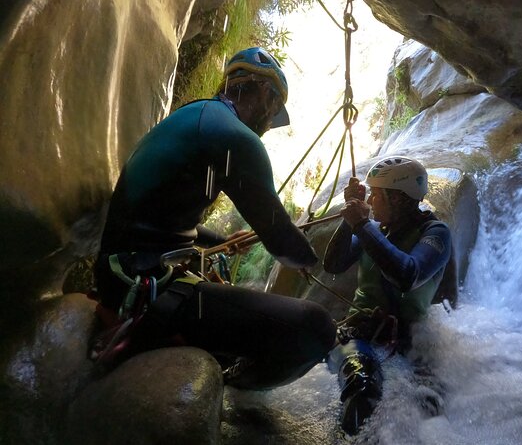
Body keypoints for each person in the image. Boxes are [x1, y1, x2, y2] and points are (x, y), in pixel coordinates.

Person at [93, 47, 336, 389]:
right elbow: (283, 242)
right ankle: (235, 388)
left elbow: (163, 220)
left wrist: (221, 243)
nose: (268, 125)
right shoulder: (237, 138)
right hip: (144, 288)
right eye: (274, 112)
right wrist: (310, 259)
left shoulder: (195, 117)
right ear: (268, 97)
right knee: (317, 327)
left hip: (121, 273)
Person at [323, 156, 452, 434]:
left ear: (400, 199)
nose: (370, 199)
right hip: (361, 334)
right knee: (361, 385)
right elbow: (333, 264)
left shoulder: (436, 233)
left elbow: (408, 275)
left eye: (376, 194)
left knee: (432, 407)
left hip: (410, 341)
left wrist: (362, 224)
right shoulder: (378, 231)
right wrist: (350, 219)